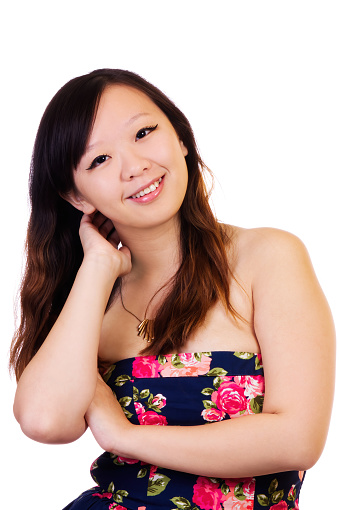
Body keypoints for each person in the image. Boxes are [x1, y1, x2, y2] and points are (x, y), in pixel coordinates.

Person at [10, 69, 335, 510]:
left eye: (144, 132)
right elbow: (45, 421)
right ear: (77, 197)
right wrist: (98, 268)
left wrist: (124, 435)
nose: (134, 165)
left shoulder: (267, 256)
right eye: (99, 160)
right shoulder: (90, 301)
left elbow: (298, 440)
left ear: (181, 137)